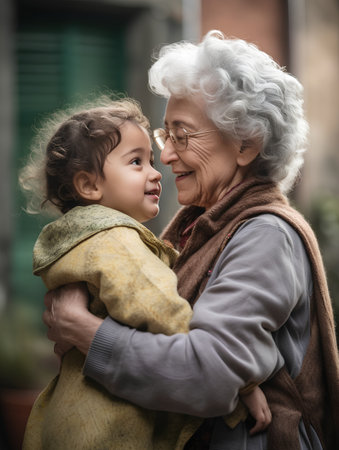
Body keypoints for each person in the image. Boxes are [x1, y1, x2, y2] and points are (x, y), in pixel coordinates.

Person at [42, 31, 339, 450]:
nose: (165, 156)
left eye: (182, 135)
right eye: (168, 135)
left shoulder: (266, 235)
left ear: (245, 145)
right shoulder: (197, 228)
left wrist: (85, 331)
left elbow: (208, 377)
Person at [19, 96, 270, 450]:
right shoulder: (117, 242)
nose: (156, 171)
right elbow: (160, 309)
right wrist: (241, 385)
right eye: (136, 162)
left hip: (71, 413)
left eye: (150, 160)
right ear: (89, 186)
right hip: (107, 425)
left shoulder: (81, 238)